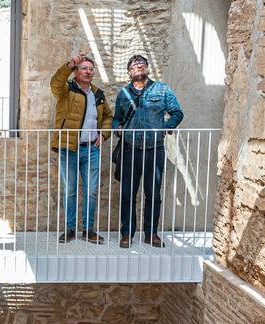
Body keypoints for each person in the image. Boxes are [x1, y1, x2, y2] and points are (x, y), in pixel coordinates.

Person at [112, 54, 183, 248]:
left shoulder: (162, 90)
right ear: (129, 72)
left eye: (141, 64)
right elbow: (116, 118)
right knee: (128, 194)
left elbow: (177, 112)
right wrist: (117, 128)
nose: (138, 66)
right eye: (134, 65)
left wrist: (166, 127)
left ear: (147, 68)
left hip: (154, 150)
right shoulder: (123, 94)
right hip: (129, 150)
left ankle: (151, 233)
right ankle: (127, 234)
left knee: (153, 194)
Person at [50, 52, 112, 244]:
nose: (88, 72)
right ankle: (70, 229)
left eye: (91, 69)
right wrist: (68, 64)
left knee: (91, 191)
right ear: (76, 71)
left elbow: (109, 117)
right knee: (70, 191)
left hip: (91, 150)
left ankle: (88, 230)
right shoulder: (66, 90)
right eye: (83, 68)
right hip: (69, 148)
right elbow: (55, 83)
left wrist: (103, 134)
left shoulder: (98, 95)